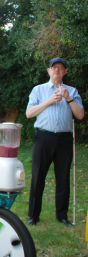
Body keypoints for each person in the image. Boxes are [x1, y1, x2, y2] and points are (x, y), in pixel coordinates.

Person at [26, 57, 84, 226]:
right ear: (48, 70)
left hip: (64, 139)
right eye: (54, 67)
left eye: (61, 68)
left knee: (63, 177)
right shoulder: (38, 90)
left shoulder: (72, 91)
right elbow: (29, 113)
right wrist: (50, 101)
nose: (57, 70)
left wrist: (69, 99)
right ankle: (33, 216)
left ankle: (62, 215)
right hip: (43, 137)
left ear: (65, 72)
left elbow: (80, 115)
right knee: (38, 176)